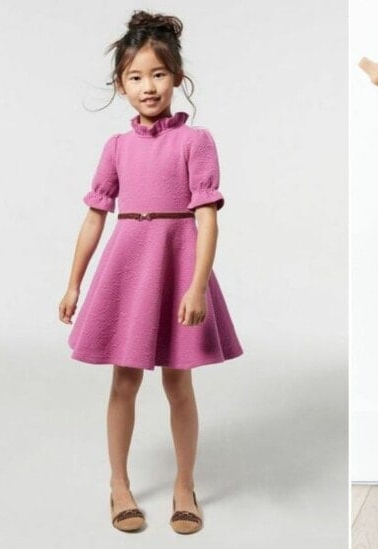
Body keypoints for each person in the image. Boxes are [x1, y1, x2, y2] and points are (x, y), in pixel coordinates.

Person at [58, 10, 242, 534]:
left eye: (158, 74)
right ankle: (119, 484)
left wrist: (197, 285)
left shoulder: (195, 141)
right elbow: (95, 216)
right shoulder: (116, 147)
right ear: (121, 85)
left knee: (179, 382)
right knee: (124, 380)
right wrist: (73, 283)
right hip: (128, 267)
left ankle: (184, 485)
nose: (148, 86)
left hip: (177, 264)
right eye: (135, 77)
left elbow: (207, 220)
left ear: (177, 77)